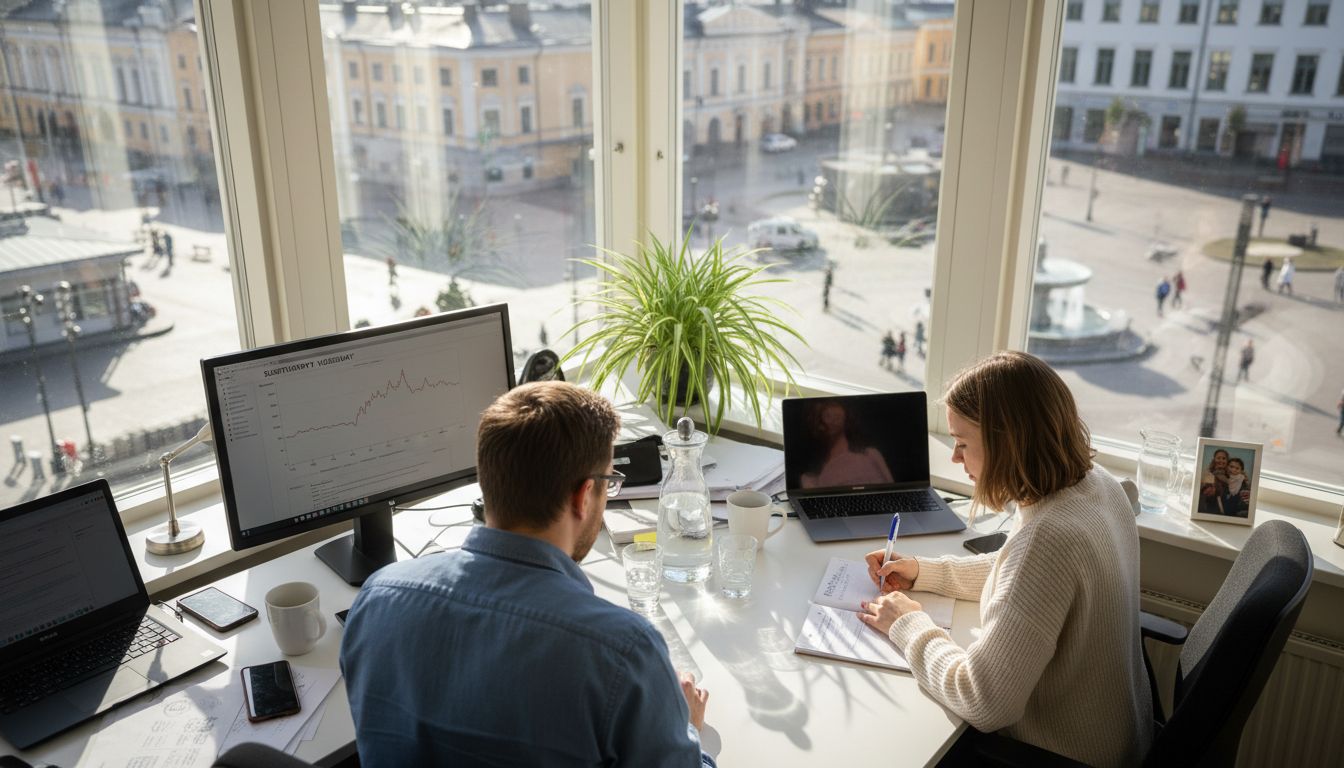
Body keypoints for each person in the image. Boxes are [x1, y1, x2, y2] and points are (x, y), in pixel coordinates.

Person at [341, 382, 713, 767]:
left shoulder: (376, 599)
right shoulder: (623, 652)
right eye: (609, 483)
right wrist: (686, 728)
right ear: (583, 495)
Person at [858, 351, 1151, 767]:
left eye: (962, 444)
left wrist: (907, 623)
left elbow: (984, 701)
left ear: (1006, 442)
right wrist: (925, 572)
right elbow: (1022, 577)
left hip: (1061, 754)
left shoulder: (1049, 537)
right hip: (1114, 739)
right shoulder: (1095, 485)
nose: (955, 458)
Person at [799, 399, 894, 489]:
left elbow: (893, 490)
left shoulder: (871, 454)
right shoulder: (811, 477)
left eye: (835, 416)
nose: (832, 419)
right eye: (825, 415)